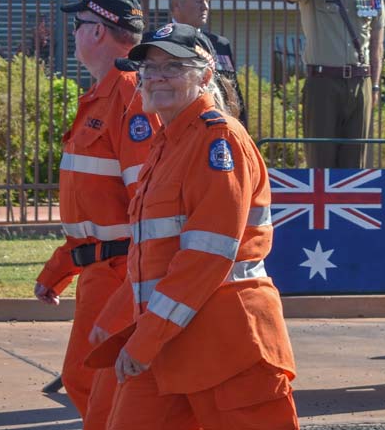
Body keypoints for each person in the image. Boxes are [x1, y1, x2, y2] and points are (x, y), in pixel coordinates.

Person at [95, 22, 298, 430]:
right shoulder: (168, 141)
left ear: (205, 75)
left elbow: (206, 256)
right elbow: (152, 257)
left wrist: (146, 337)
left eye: (172, 66)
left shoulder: (217, 140)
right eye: (149, 69)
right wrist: (123, 322)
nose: (156, 77)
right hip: (168, 343)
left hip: (227, 348)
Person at [34, 0, 158, 427]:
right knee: (88, 380)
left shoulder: (129, 96)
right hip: (100, 271)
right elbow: (98, 212)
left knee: (102, 386)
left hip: (123, 274)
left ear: (99, 31)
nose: (74, 34)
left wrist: (134, 287)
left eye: (78, 25)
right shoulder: (104, 94)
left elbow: (152, 209)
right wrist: (60, 268)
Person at [279, 0, 385, 168]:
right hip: (323, 83)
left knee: (355, 165)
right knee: (321, 164)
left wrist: (375, 86)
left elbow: (377, 42)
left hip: (360, 82)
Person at [169, 0, 247, 125]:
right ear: (176, 5)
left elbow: (232, 92)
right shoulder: (155, 44)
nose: (205, 7)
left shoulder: (220, 44)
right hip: (174, 130)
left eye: (207, 1)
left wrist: (242, 128)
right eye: (199, 1)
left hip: (216, 130)